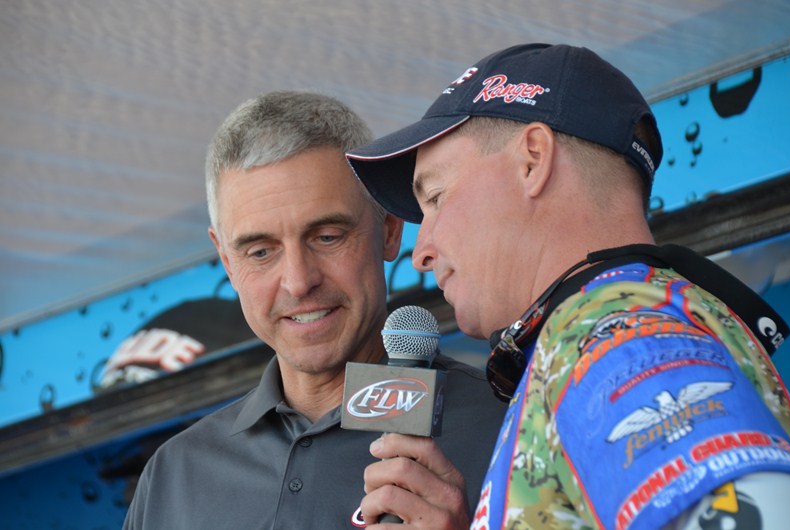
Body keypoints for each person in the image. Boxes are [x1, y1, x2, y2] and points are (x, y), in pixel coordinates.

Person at [346, 43, 790, 529]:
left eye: (436, 197)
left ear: (533, 159)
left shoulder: (619, 337)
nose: (421, 252)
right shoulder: (607, 329)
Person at [122, 91, 506, 529]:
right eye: (261, 251)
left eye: (327, 237)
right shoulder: (174, 476)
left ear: (388, 230)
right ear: (227, 263)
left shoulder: (510, 426)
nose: (299, 281)